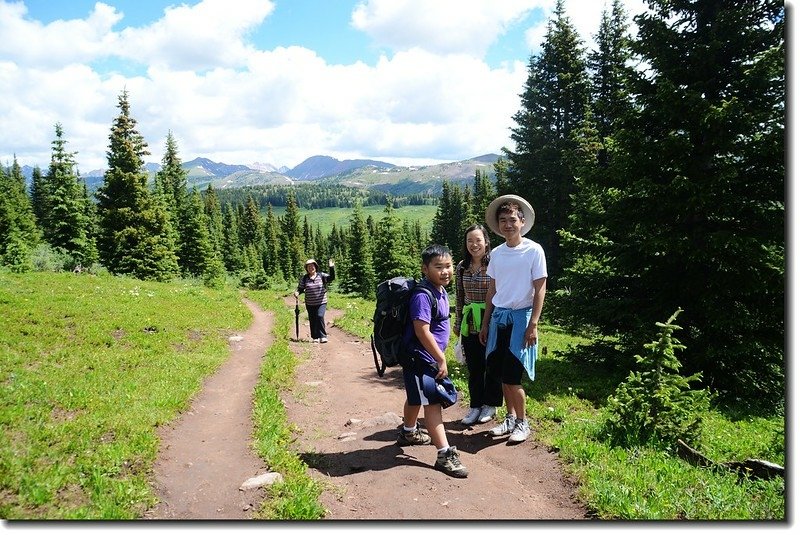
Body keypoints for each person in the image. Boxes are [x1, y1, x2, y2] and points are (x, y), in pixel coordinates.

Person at [479, 195, 547, 444]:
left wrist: (534, 324)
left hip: (522, 319)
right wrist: (486, 323)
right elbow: (492, 290)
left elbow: (540, 288)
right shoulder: (497, 253)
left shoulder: (533, 250)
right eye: (503, 221)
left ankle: (523, 422)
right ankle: (509, 418)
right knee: (499, 371)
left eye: (512, 220)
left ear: (522, 221)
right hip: (499, 318)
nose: (508, 225)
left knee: (512, 374)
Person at [396, 244, 468, 478]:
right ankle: (444, 454)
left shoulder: (439, 290)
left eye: (448, 266)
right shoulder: (422, 295)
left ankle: (408, 432)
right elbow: (421, 331)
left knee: (416, 396)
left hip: (424, 357)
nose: (445, 271)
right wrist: (440, 358)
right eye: (439, 267)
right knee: (432, 404)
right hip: (422, 358)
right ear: (425, 269)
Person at [454, 224, 502, 426]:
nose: (474, 245)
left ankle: (491, 404)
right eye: (470, 241)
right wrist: (457, 322)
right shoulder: (462, 267)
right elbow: (459, 296)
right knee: (474, 367)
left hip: (491, 320)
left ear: (486, 242)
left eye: (478, 240)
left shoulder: (494, 263)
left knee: (492, 364)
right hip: (470, 321)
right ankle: (475, 405)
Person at [293, 258, 335, 343]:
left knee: (319, 316)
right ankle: (315, 337)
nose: (311, 268)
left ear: (315, 267)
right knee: (312, 319)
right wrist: (297, 292)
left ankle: (323, 336)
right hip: (310, 303)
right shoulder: (305, 278)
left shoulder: (321, 275)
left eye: (312, 266)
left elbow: (331, 278)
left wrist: (331, 267)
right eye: (308, 266)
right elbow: (300, 288)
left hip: (321, 302)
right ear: (306, 268)